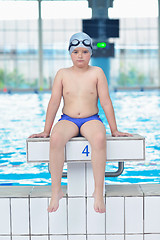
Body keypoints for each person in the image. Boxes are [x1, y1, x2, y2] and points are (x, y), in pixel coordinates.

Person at [29, 32, 132, 214]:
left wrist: (114, 130)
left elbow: (106, 101)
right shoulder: (62, 74)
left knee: (100, 138)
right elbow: (54, 102)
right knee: (55, 139)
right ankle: (57, 190)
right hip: (68, 119)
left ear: (91, 53)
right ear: (70, 53)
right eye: (76, 51)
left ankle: (98, 191)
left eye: (84, 51)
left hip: (91, 118)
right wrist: (46, 130)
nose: (80, 55)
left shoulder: (97, 73)